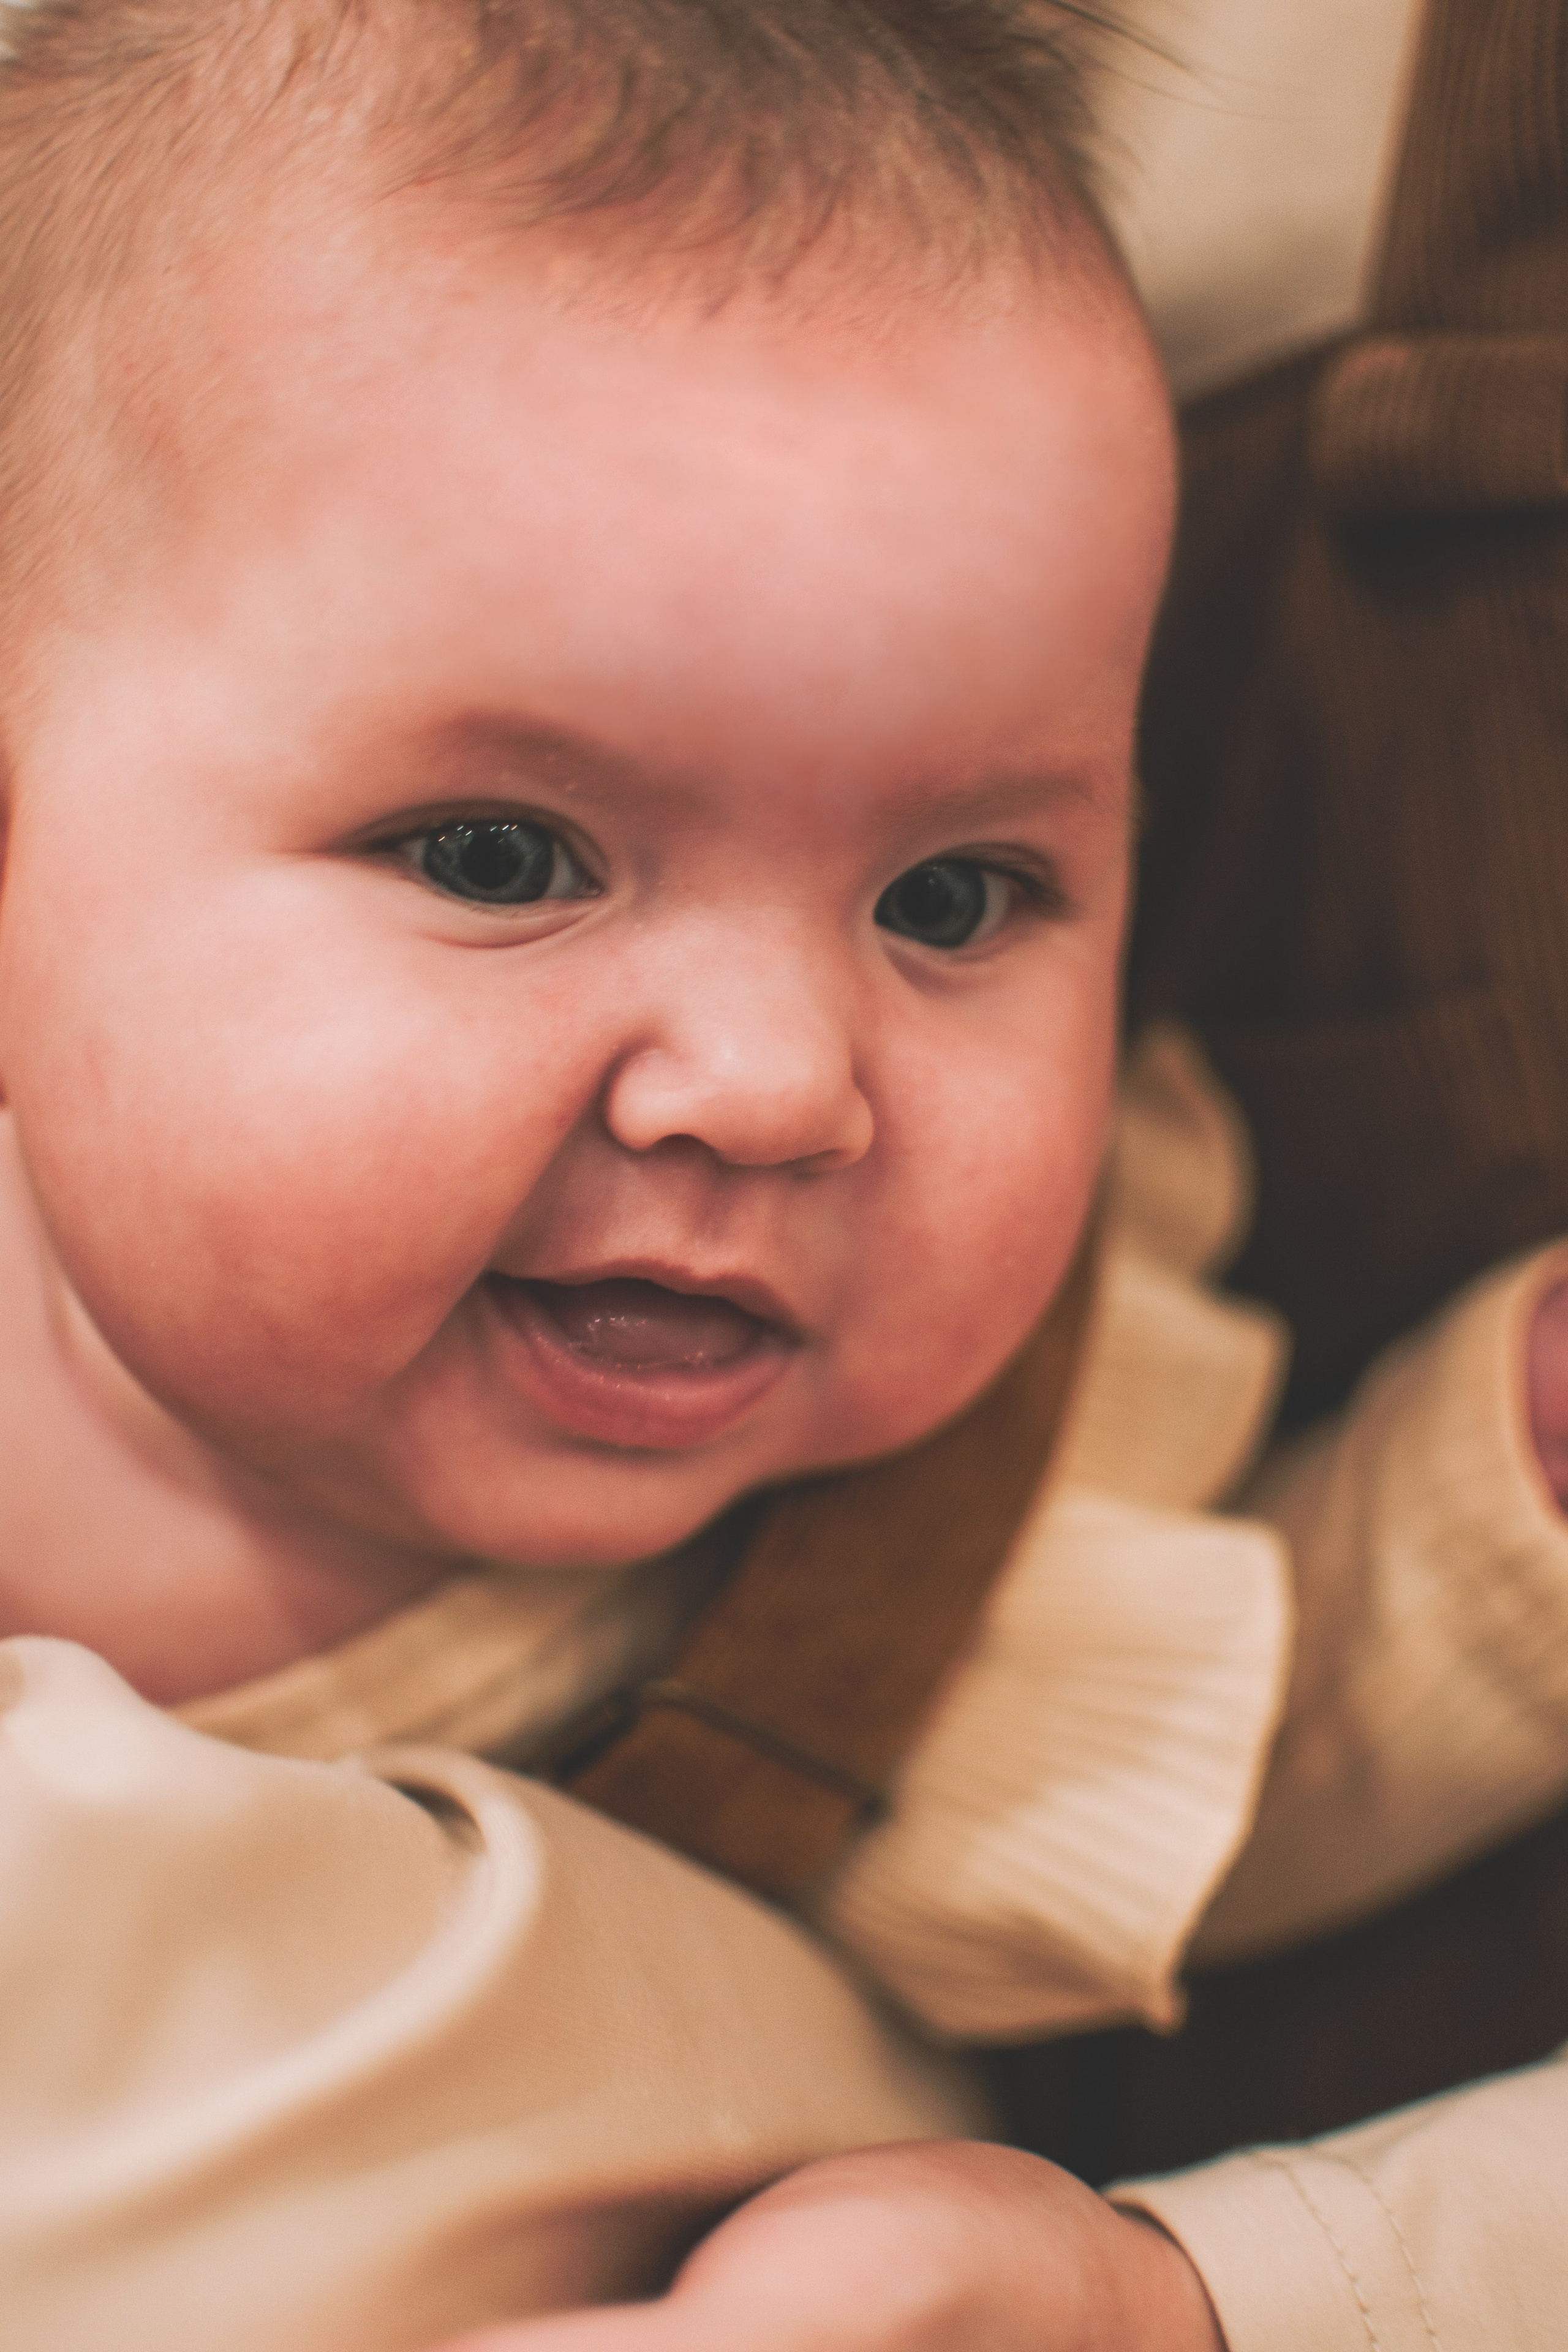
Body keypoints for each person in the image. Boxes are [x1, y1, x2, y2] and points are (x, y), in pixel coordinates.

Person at [2, 3, 1567, 2348]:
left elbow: (1270, 1748)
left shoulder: (919, 1563)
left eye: (953, 900)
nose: (772, 1086)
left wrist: (1501, 1489)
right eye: (504, 852)